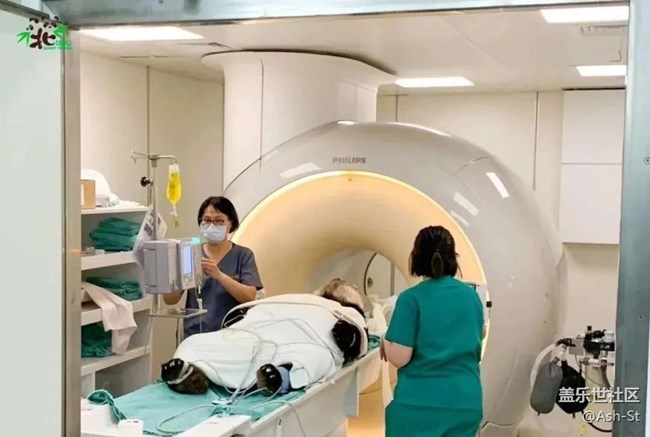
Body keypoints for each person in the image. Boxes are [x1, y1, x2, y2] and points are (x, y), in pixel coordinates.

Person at [381, 225, 485, 437]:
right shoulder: (471, 296)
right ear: (453, 258)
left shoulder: (411, 299)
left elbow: (400, 357)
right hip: (466, 403)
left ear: (416, 258)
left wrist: (385, 341)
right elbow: (480, 333)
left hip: (420, 406)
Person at [164, 196, 263, 338]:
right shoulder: (190, 254)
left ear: (230, 224)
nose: (212, 225)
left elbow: (249, 297)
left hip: (232, 334)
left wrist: (219, 275)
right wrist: (180, 276)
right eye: (207, 220)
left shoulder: (243, 255)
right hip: (194, 334)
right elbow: (169, 300)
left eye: (219, 221)